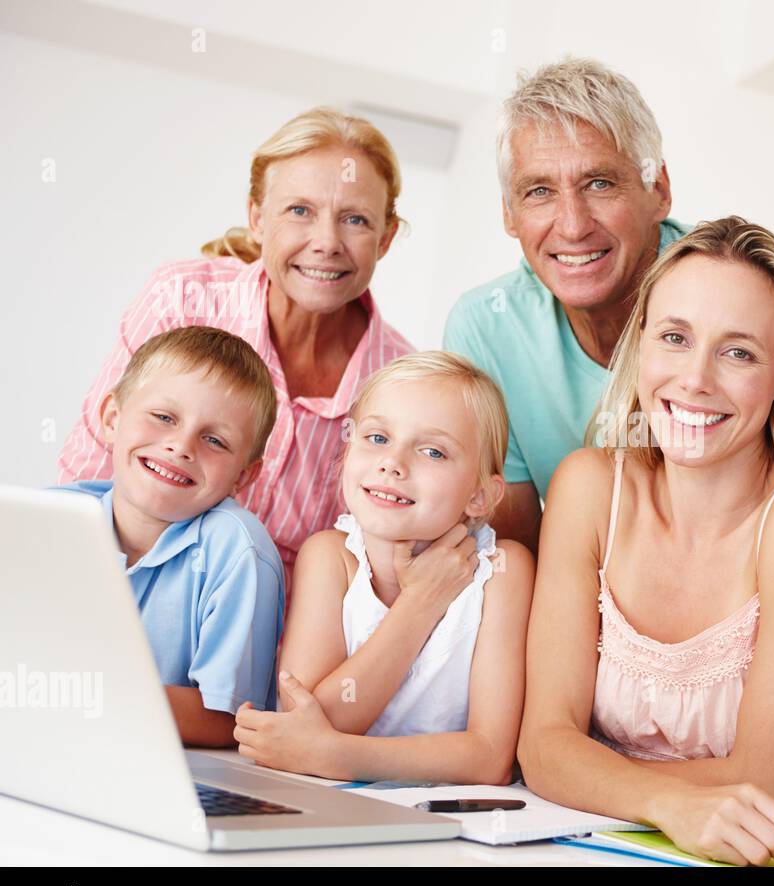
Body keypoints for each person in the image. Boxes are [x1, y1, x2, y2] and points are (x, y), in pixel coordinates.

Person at [518, 217, 774, 866]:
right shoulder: (588, 490)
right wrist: (668, 804)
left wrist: (602, 779)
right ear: (641, 349)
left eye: (738, 352)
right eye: (674, 338)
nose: (695, 380)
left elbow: (766, 787)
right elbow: (544, 747)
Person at [443, 57, 774, 555]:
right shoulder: (486, 329)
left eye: (599, 183)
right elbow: (519, 550)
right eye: (539, 191)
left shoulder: (752, 286)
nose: (572, 225)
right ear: (509, 213)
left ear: (659, 190)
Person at [55, 107, 463, 598]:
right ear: (256, 218)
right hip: (117, 599)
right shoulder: (183, 300)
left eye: (355, 219)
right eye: (299, 211)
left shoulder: (400, 383)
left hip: (278, 648)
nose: (327, 243)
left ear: (386, 237)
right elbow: (87, 481)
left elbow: (374, 571)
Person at [233, 353, 534, 785]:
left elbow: (489, 758)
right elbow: (309, 717)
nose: (393, 463)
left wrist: (339, 756)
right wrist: (418, 607)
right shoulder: (330, 559)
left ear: (481, 496)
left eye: (433, 451)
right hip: (329, 802)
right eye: (377, 438)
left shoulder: (502, 573)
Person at [50, 326, 284, 747]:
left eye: (214, 440)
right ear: (111, 418)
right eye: (164, 418)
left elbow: (226, 719)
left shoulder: (238, 551)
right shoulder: (54, 520)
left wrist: (85, 694)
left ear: (244, 476)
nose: (181, 446)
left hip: (176, 767)